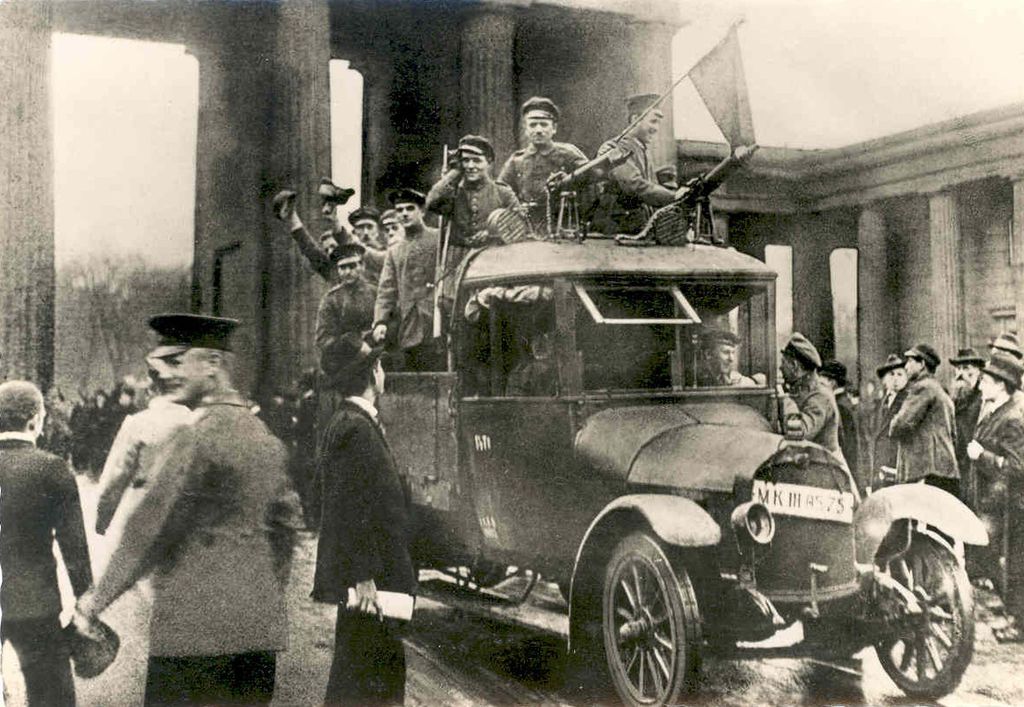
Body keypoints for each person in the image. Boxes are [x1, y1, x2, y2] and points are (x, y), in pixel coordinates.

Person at [73, 313, 302, 706]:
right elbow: (286, 524)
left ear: (212, 364)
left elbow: (149, 529)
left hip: (193, 636)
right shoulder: (263, 435)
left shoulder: (197, 438)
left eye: (176, 360)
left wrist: (93, 603)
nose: (164, 373)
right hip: (256, 636)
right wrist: (260, 589)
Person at [314, 337, 416, 705]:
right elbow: (349, 507)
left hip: (375, 580)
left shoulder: (352, 422)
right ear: (373, 374)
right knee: (371, 681)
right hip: (372, 585)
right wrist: (363, 576)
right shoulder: (354, 428)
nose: (383, 371)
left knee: (362, 678)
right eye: (380, 365)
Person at [0, 380, 93, 706]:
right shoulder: (51, 469)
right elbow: (75, 547)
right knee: (52, 697)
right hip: (34, 603)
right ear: (35, 420)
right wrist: (86, 602)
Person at [94, 364, 195, 537]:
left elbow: (119, 473)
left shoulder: (138, 423)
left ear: (153, 390)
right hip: (184, 511)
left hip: (143, 507)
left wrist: (104, 514)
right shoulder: (195, 421)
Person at [965, 353, 1024, 641]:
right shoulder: (995, 410)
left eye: (986, 381)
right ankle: (1015, 616)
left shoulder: (1012, 417)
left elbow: (1017, 466)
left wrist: (982, 456)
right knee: (994, 558)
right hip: (994, 500)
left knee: (1013, 563)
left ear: (1001, 385)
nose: (980, 386)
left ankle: (1017, 621)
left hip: (1009, 504)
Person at [425, 134, 521, 275]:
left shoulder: (503, 192)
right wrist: (454, 172)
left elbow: (518, 228)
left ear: (489, 162)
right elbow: (431, 203)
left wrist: (492, 234)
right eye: (465, 161)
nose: (470, 166)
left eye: (477, 161)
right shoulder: (452, 192)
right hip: (457, 262)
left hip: (494, 259)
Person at [591, 93, 685, 235]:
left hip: (636, 228)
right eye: (653, 121)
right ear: (635, 119)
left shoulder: (642, 150)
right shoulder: (614, 148)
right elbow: (632, 184)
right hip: (614, 230)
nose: (656, 128)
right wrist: (673, 197)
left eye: (658, 123)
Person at [372, 188, 442, 371]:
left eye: (410, 208)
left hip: (438, 322)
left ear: (422, 211)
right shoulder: (395, 251)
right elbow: (386, 290)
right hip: (410, 327)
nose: (404, 213)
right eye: (400, 210)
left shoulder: (440, 238)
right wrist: (380, 321)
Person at [498, 96, 590, 231]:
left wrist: (570, 181)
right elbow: (500, 189)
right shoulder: (516, 160)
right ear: (525, 129)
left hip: (563, 227)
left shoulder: (568, 154)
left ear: (554, 128)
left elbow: (592, 180)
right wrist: (515, 207)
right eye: (533, 125)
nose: (539, 130)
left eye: (544, 124)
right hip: (526, 228)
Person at [889, 343, 959, 493]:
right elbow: (954, 436)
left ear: (922, 364)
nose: (906, 366)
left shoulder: (922, 388)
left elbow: (899, 425)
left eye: (910, 361)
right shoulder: (939, 391)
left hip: (926, 472)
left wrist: (893, 422)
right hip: (943, 471)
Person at [779, 333, 845, 465]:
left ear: (795, 366)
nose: (780, 368)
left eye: (783, 363)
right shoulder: (802, 389)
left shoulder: (820, 397)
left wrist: (784, 399)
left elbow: (798, 432)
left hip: (826, 473)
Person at [272, 178, 357, 282]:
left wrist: (335, 221)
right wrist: (292, 217)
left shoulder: (362, 265)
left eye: (333, 247)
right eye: (326, 251)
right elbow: (310, 250)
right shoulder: (337, 274)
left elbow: (347, 247)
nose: (330, 253)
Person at [315, 242, 378, 357]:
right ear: (338, 270)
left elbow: (390, 322)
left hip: (376, 352)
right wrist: (353, 344)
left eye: (352, 266)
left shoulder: (376, 293)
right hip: (346, 360)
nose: (348, 272)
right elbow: (323, 339)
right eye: (343, 267)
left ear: (362, 266)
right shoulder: (331, 300)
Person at [864, 353, 908, 491]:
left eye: (900, 374)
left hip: (895, 465)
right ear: (884, 379)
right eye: (891, 374)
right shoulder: (881, 402)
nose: (895, 378)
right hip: (879, 466)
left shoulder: (908, 401)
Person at [950, 347, 986, 505]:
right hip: (957, 468)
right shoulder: (953, 399)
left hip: (976, 469)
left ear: (978, 372)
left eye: (967, 369)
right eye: (958, 368)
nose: (960, 374)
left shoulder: (982, 400)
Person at [820, 360, 859, 488]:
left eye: (822, 380)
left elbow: (844, 441)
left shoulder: (839, 406)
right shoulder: (844, 402)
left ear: (832, 382)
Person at [348, 206, 388, 285]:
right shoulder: (349, 254)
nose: (366, 232)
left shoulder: (388, 252)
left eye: (370, 227)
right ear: (354, 232)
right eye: (360, 227)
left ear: (377, 230)